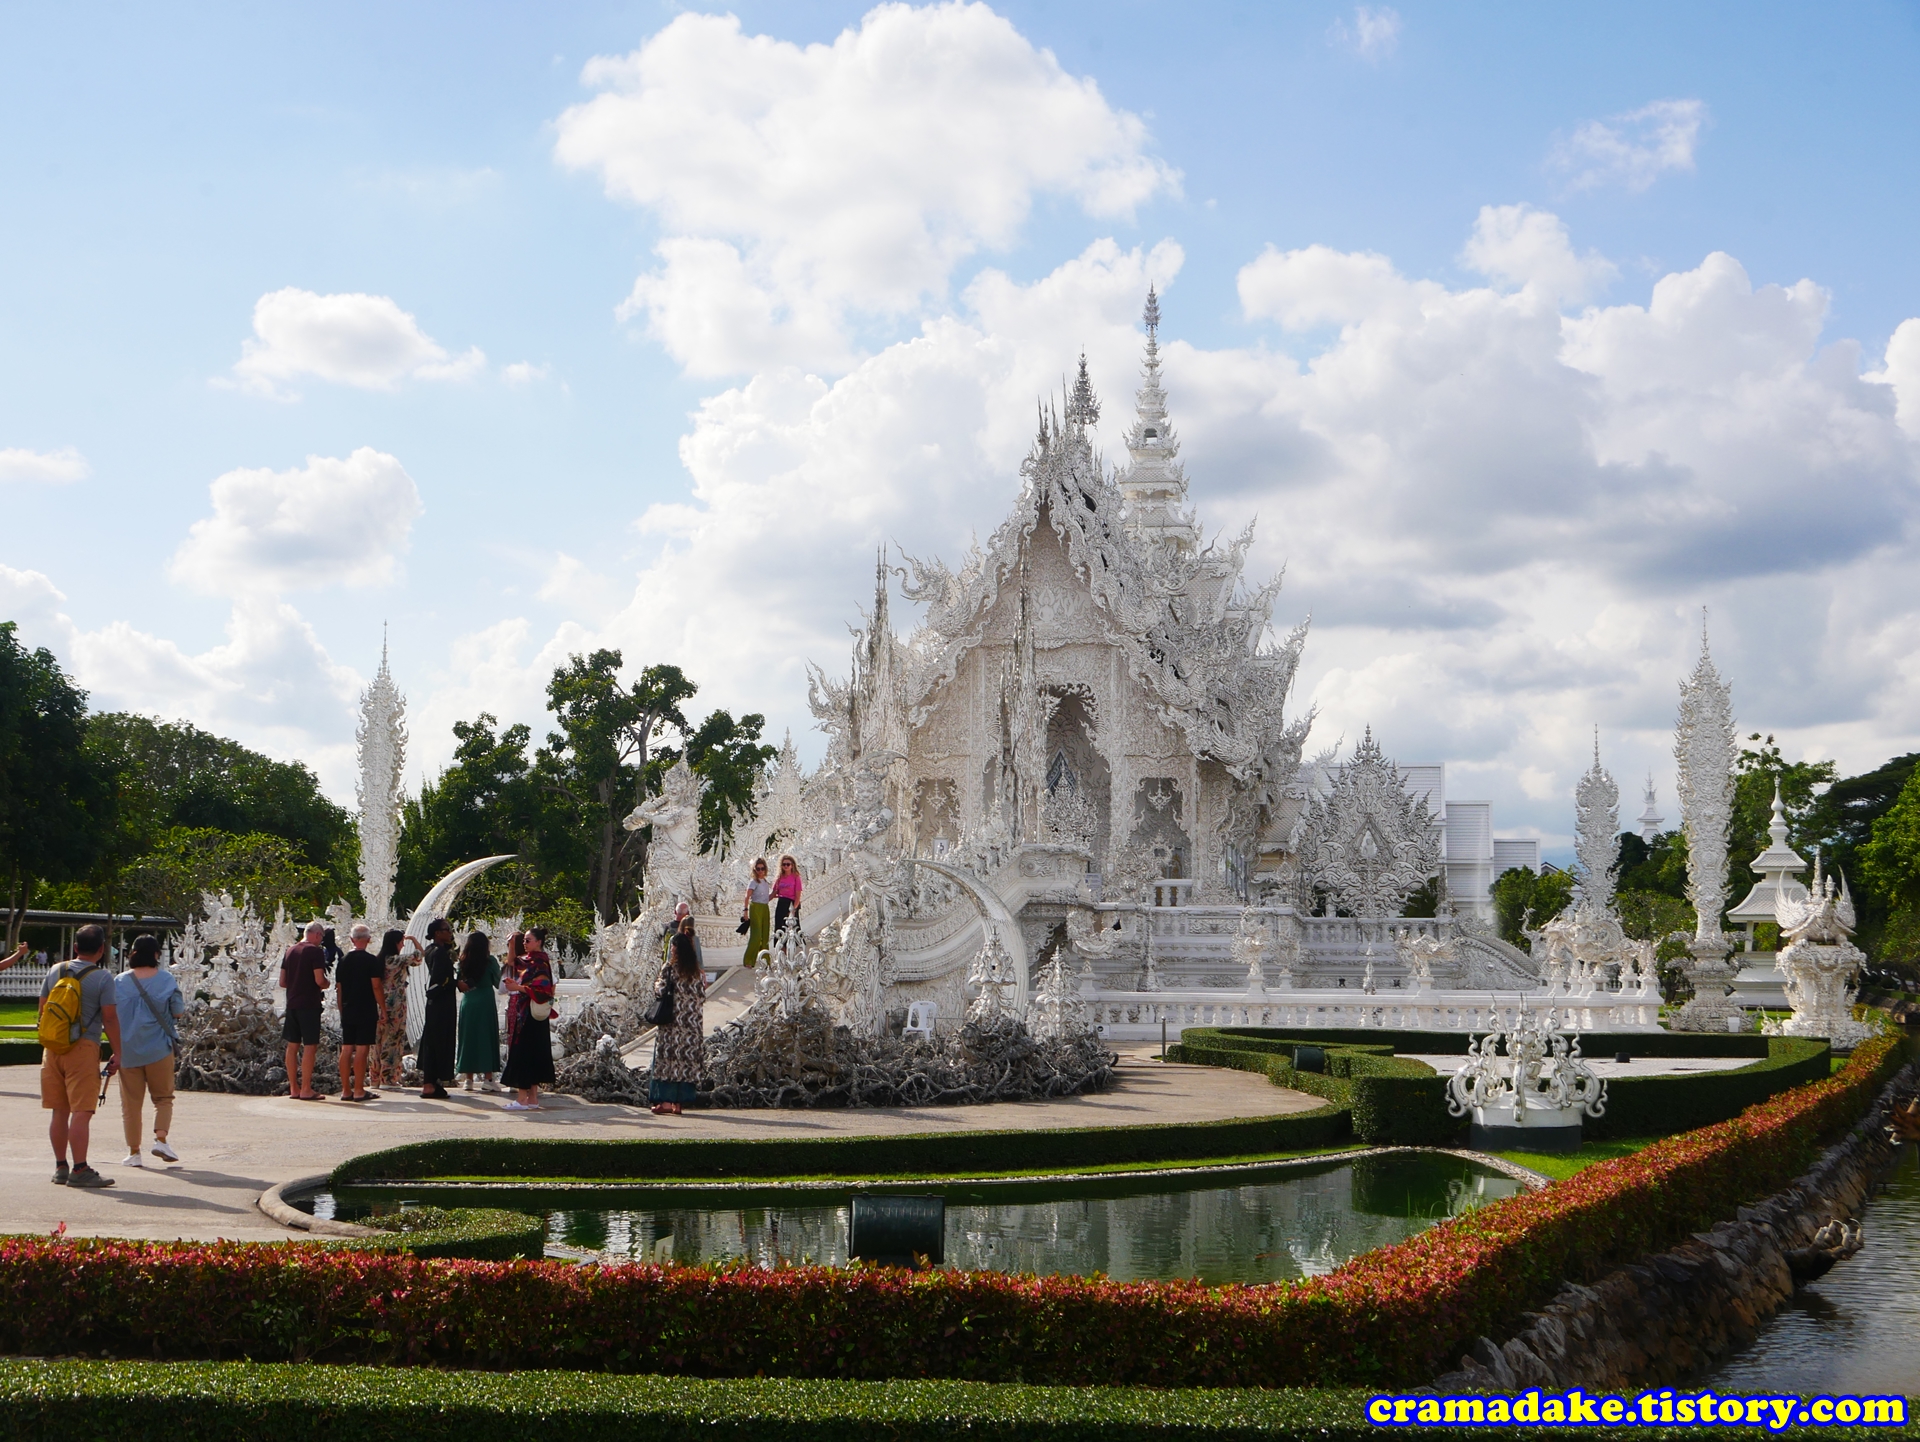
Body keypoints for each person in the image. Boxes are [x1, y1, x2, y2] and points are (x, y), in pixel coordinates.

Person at [40, 924, 123, 1188]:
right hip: (83, 1048)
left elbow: (43, 1009)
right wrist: (118, 1053)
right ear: (101, 950)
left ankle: (60, 1167)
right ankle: (80, 1169)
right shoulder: (102, 978)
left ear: (75, 947)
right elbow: (109, 1017)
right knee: (82, 1111)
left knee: (59, 1110)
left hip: (53, 1048)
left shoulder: (56, 970)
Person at [114, 934, 184, 1166]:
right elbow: (178, 1012)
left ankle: (134, 1153)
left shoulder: (120, 981)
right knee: (163, 1098)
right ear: (156, 955)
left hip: (128, 1050)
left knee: (131, 1104)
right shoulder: (166, 980)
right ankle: (160, 1138)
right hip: (158, 1048)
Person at [649, 928, 706, 1115]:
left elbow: (660, 990)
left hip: (672, 1022)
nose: (671, 948)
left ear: (675, 948)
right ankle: (679, 1104)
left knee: (668, 1061)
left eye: (672, 945)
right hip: (691, 1025)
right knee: (684, 1061)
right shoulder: (696, 971)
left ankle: (665, 1102)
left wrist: (657, 983)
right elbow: (702, 996)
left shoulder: (670, 968)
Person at [499, 926, 555, 1111]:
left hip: (531, 1014)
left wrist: (519, 988)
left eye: (528, 940)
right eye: (524, 940)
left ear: (538, 942)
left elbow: (544, 989)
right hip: (527, 1013)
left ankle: (523, 1099)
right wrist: (512, 944)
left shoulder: (540, 962)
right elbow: (512, 963)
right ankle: (532, 1099)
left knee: (524, 1053)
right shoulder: (528, 960)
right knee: (533, 1054)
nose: (525, 943)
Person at [279, 920, 331, 1101]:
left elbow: (282, 982)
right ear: (317, 935)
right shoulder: (315, 952)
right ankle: (306, 1088)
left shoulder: (290, 950)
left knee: (292, 1045)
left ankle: (294, 1087)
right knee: (310, 1046)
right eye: (321, 937)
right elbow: (319, 979)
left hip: (292, 1003)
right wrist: (327, 983)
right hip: (309, 1004)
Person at [334, 924, 386, 1102]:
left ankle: (345, 1090)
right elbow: (376, 985)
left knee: (347, 1048)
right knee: (362, 1049)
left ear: (352, 939)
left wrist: (341, 1009)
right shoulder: (372, 961)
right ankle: (358, 1089)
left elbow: (339, 988)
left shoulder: (343, 960)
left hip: (348, 1007)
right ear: (369, 940)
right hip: (366, 1007)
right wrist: (383, 1008)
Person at [372, 929, 422, 1088]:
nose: (402, 945)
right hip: (396, 1002)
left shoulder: (379, 960)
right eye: (401, 942)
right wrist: (414, 939)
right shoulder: (397, 960)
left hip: (380, 1001)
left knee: (378, 1040)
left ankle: (375, 1078)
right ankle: (389, 1078)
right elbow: (420, 955)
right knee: (393, 1039)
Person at [415, 918, 459, 1099]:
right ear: (437, 933)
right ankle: (431, 1084)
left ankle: (430, 1082)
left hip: (435, 1003)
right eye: (446, 929)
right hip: (442, 1003)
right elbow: (442, 980)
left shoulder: (431, 950)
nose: (450, 932)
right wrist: (458, 983)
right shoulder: (440, 953)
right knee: (440, 1041)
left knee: (432, 1040)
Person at [455, 930, 502, 1092]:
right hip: (485, 1001)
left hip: (468, 1001)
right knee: (486, 1037)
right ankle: (488, 1078)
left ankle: (468, 1079)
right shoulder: (490, 961)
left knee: (468, 1038)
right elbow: (498, 982)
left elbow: (459, 983)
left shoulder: (463, 962)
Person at [741, 858, 772, 966]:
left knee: (765, 934)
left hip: (765, 908)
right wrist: (745, 911)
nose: (760, 871)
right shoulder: (753, 882)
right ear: (755, 870)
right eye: (758, 869)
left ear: (765, 869)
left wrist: (778, 892)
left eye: (762, 868)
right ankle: (749, 960)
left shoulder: (766, 882)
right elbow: (747, 897)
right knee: (756, 935)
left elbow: (767, 898)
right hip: (755, 908)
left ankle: (765, 960)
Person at [772, 854, 804, 933]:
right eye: (784, 864)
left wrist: (794, 909)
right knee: (779, 926)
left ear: (792, 865)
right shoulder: (779, 877)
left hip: (792, 903)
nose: (786, 866)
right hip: (781, 903)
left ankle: (797, 944)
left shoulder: (796, 877)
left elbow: (798, 895)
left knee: (793, 927)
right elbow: (774, 893)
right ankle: (781, 945)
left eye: (788, 864)